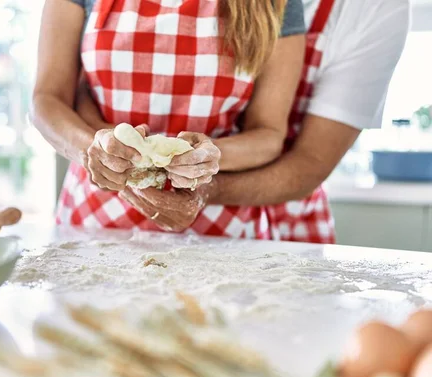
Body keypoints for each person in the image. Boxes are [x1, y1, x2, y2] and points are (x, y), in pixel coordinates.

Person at [33, 0, 309, 236]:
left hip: (219, 229)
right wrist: (90, 148)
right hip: (96, 218)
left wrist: (210, 159)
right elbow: (47, 99)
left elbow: (268, 134)